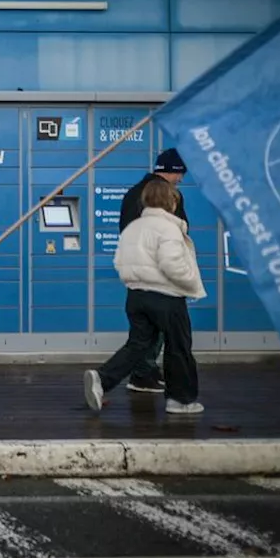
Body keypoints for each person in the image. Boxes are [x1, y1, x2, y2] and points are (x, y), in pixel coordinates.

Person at [85, 177, 206, 415]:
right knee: (179, 347)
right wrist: (191, 281)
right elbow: (172, 264)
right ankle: (180, 400)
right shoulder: (169, 227)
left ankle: (101, 378)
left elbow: (119, 261)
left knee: (138, 345)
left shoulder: (134, 227)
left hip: (136, 296)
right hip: (166, 297)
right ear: (169, 201)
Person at [115, 147, 188, 394]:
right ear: (172, 171)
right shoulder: (168, 196)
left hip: (137, 271)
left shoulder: (133, 192)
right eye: (180, 175)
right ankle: (141, 374)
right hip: (160, 274)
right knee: (165, 332)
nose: (180, 180)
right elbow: (178, 234)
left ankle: (142, 372)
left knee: (142, 331)